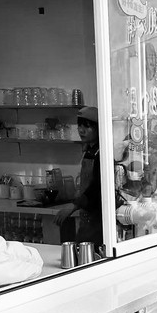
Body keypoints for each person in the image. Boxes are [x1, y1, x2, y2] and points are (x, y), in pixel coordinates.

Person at [54, 106, 103, 248]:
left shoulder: (101, 153)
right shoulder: (90, 151)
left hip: (97, 217)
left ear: (98, 128)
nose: (81, 130)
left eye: (87, 126)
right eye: (79, 126)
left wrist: (73, 206)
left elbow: (97, 187)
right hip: (86, 215)